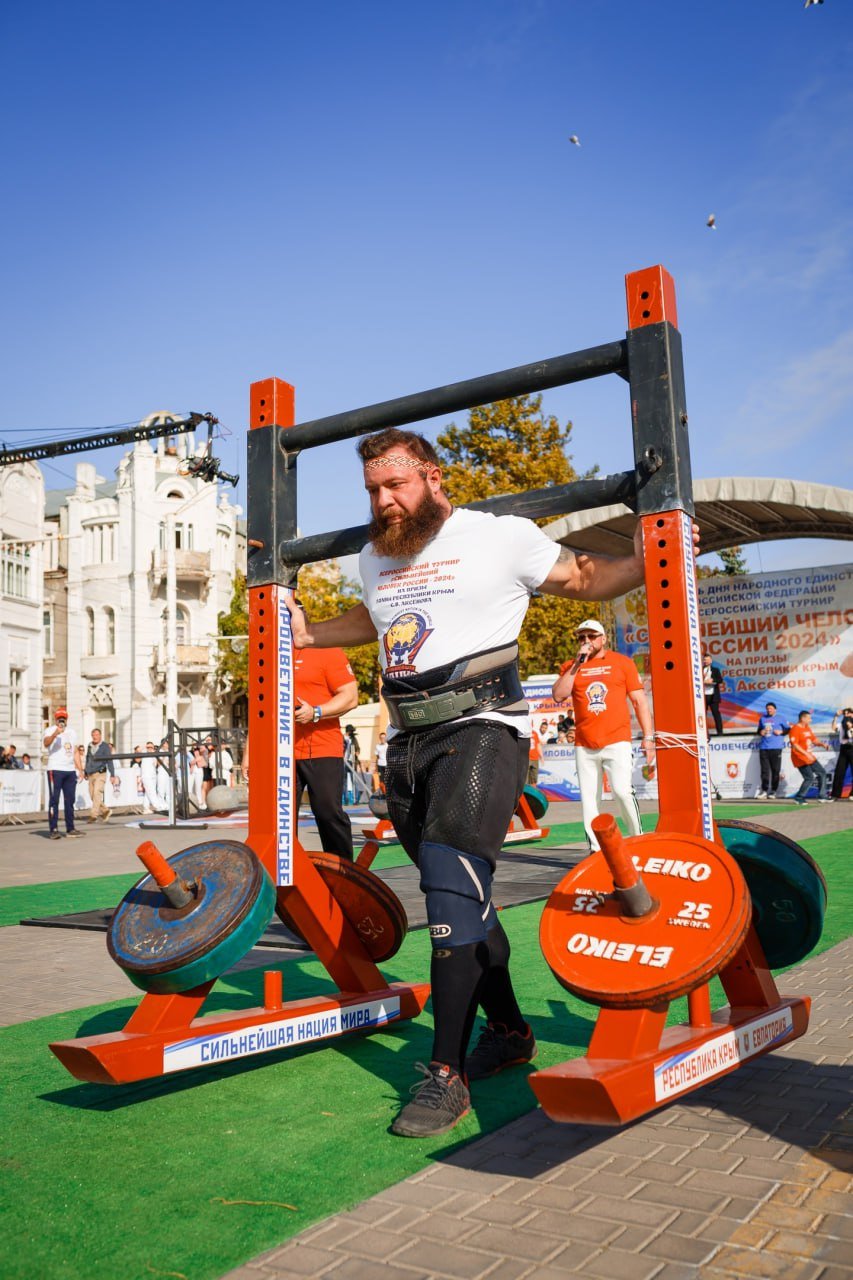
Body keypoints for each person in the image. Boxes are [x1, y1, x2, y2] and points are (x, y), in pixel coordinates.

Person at [285, 427, 691, 1140]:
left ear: (434, 479)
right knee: (464, 899)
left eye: (396, 485)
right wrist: (312, 632)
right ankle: (507, 1029)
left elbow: (586, 580)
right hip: (407, 742)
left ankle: (446, 1075)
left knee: (446, 891)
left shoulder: (499, 536)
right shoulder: (372, 556)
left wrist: (657, 551)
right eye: (374, 490)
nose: (385, 501)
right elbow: (374, 619)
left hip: (483, 731)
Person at [552, 620, 654, 853]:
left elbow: (639, 701)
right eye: (581, 637)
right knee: (589, 800)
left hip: (617, 739)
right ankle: (596, 850)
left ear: (604, 638)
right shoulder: (572, 666)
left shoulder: (622, 663)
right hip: (584, 743)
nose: (586, 641)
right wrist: (577, 664)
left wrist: (648, 738)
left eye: (592, 636)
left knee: (621, 791)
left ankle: (638, 841)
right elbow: (559, 695)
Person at [294, 640, 359, 858]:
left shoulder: (326, 648)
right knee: (279, 821)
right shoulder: (272, 653)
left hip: (322, 747)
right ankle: (280, 881)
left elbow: (350, 697)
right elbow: (259, 703)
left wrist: (316, 712)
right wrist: (249, 752)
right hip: (281, 751)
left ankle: (344, 874)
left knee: (327, 812)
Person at [44, 708, 84, 839]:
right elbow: (46, 743)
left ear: (67, 719)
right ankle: (53, 829)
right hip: (55, 769)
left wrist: (80, 769)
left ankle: (70, 828)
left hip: (70, 770)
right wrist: (56, 733)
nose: (62, 721)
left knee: (70, 800)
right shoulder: (50, 730)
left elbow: (75, 751)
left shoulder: (72, 732)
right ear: (55, 719)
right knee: (54, 799)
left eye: (64, 718)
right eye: (59, 718)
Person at [788, 710, 830, 805]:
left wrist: (822, 744)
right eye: (809, 718)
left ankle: (822, 796)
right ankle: (799, 797)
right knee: (809, 777)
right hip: (799, 758)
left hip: (810, 757)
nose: (810, 720)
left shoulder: (806, 727)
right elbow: (795, 745)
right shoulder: (795, 729)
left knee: (822, 772)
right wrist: (805, 754)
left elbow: (813, 739)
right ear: (803, 718)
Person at [755, 701, 791, 799]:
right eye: (767, 708)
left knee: (775, 770)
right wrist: (761, 732)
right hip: (764, 748)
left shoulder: (780, 718)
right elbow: (758, 730)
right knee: (764, 771)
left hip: (776, 748)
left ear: (775, 709)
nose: (769, 710)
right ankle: (764, 790)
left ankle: (773, 791)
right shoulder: (762, 718)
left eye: (770, 708)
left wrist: (781, 732)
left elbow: (788, 729)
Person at [84, 728, 120, 822]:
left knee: (97, 793)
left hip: (101, 773)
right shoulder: (89, 745)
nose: (94, 737)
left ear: (100, 736)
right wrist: (85, 771)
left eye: (96, 735)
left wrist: (112, 775)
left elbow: (109, 760)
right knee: (92, 795)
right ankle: (105, 811)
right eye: (93, 735)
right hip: (91, 773)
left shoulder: (105, 746)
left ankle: (93, 815)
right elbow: (88, 758)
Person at [830, 707, 853, 800]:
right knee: (839, 771)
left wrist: (850, 726)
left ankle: (852, 794)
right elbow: (834, 728)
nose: (846, 716)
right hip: (844, 748)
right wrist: (835, 716)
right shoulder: (842, 724)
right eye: (844, 714)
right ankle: (835, 794)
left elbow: (850, 728)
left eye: (848, 714)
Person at [702, 649, 724, 736]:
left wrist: (712, 680)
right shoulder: (699, 670)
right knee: (703, 715)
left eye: (707, 660)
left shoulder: (715, 670)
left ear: (711, 660)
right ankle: (704, 733)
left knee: (716, 713)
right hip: (703, 696)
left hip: (713, 695)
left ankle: (720, 732)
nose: (706, 661)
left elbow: (720, 680)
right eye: (704, 660)